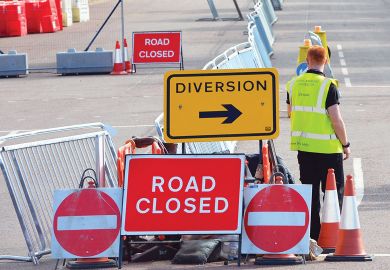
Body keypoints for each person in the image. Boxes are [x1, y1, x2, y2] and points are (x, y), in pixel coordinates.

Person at [286, 45, 351, 241]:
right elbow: (336, 119)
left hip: (305, 148)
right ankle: (331, 237)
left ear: (307, 61)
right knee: (332, 193)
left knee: (310, 192)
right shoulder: (328, 86)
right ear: (326, 61)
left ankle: (312, 237)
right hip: (329, 149)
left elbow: (290, 112)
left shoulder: (293, 84)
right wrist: (345, 144)